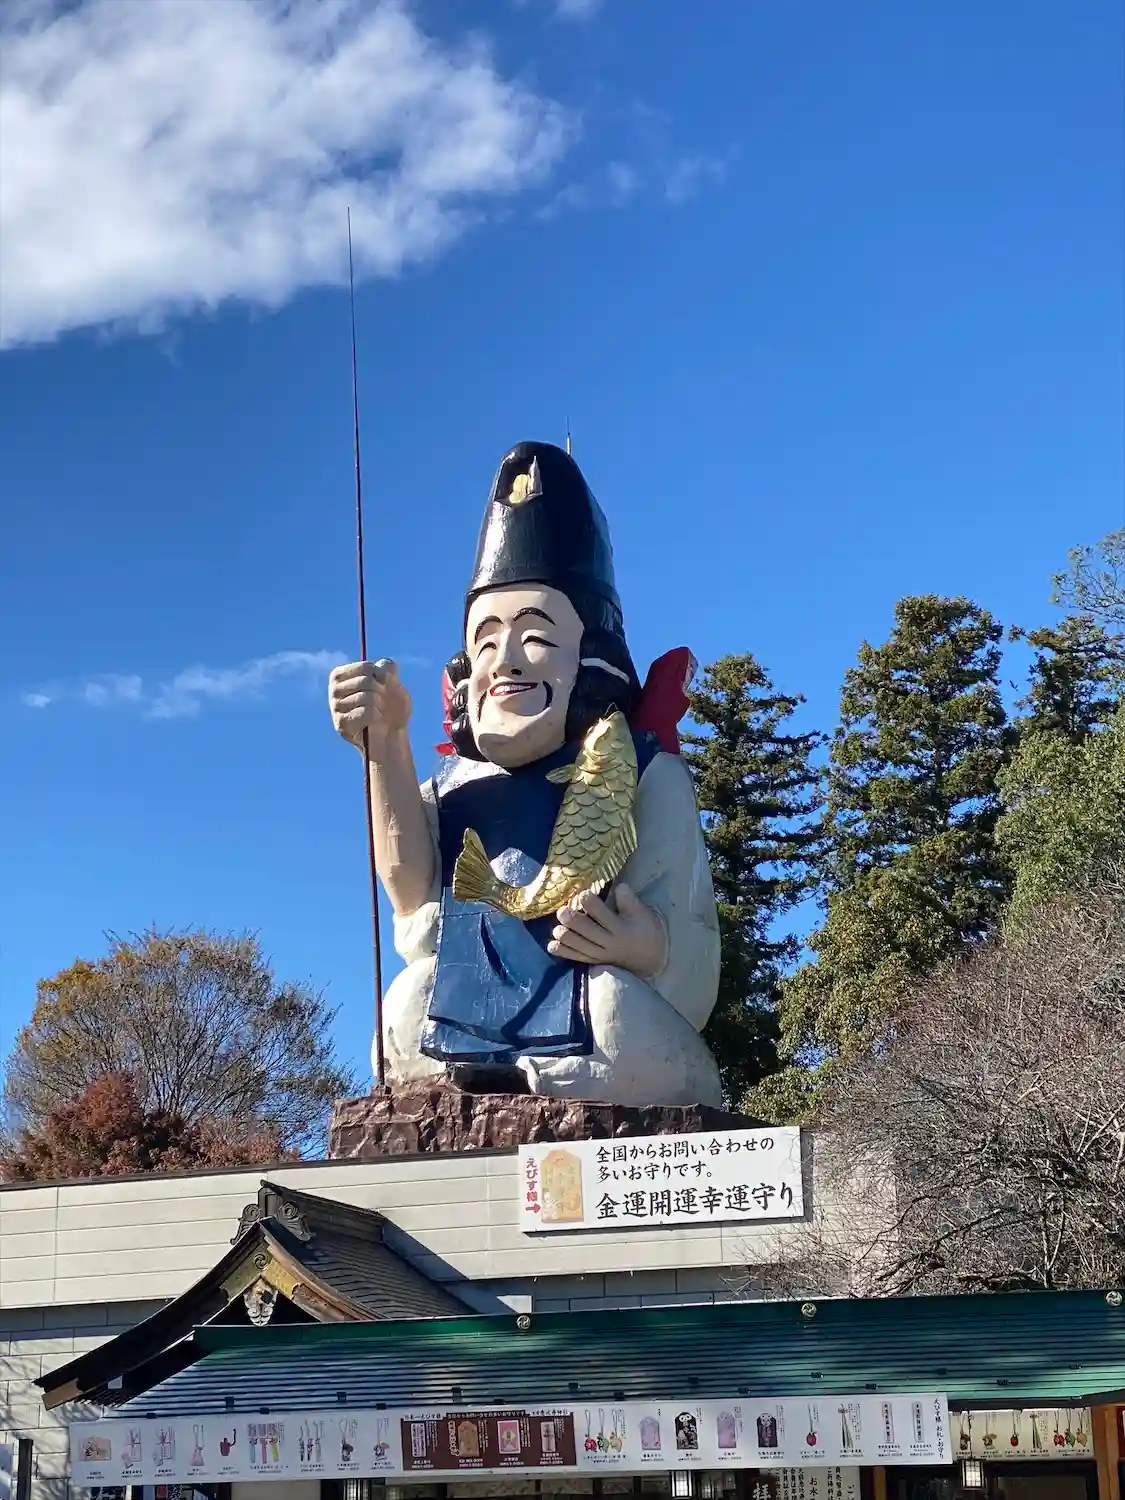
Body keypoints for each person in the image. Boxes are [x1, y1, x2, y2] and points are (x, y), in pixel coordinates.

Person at [329, 442, 722, 1106]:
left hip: (584, 1007)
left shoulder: (641, 771)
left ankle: (539, 1080)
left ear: (590, 657)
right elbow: (411, 897)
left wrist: (646, 946)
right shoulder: (451, 785)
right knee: (404, 1004)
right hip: (465, 995)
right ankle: (469, 1084)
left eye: (536, 637)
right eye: (485, 641)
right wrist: (385, 745)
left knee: (616, 1009)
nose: (505, 661)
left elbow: (688, 927)